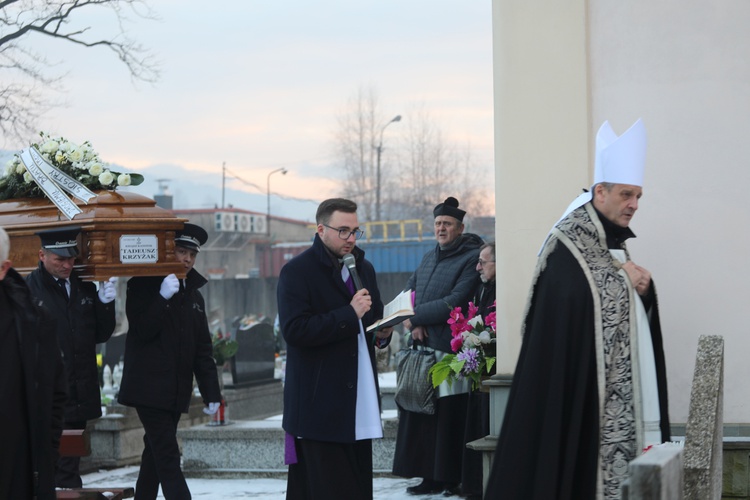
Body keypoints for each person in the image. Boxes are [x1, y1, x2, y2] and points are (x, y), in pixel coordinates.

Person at [485, 119, 670, 499]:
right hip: (578, 396)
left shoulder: (607, 238)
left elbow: (614, 296)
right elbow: (570, 299)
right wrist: (623, 282)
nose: (634, 204)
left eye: (638, 196)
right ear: (600, 191)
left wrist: (644, 290)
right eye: (626, 195)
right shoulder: (570, 240)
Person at [278, 198, 393, 500]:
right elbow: (294, 330)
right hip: (319, 404)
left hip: (358, 399)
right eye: (343, 231)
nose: (351, 239)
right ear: (320, 229)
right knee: (327, 489)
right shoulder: (296, 271)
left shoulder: (362, 267)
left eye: (356, 231)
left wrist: (383, 332)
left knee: (357, 488)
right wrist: (347, 314)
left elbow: (370, 318)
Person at [118, 222, 222, 500]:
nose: (187, 259)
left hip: (175, 390)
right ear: (167, 251)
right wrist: (163, 297)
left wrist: (212, 391)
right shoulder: (143, 285)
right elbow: (142, 330)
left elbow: (202, 349)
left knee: (154, 453)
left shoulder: (194, 294)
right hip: (148, 390)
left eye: (192, 254)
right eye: (181, 251)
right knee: (168, 456)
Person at [392, 196, 483, 496]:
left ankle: (449, 477)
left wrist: (416, 316)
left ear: (460, 228)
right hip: (422, 347)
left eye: (447, 224)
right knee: (420, 416)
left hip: (448, 349)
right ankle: (426, 476)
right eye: (438, 224)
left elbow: (455, 301)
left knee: (446, 418)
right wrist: (412, 321)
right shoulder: (430, 255)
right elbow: (410, 289)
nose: (441, 229)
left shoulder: (471, 257)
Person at [26, 225, 117, 488]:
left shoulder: (83, 286)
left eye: (71, 258)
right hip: (49, 393)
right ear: (42, 256)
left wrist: (105, 304)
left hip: (80, 389)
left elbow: (101, 333)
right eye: (60, 259)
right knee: (58, 468)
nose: (68, 265)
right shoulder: (29, 290)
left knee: (69, 462)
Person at [0, 227, 67, 500]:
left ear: (4, 268)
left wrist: (43, 460)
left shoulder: (34, 321)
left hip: (18, 471)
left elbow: (55, 396)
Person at [460, 241, 496, 500]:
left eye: (483, 262)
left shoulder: (499, 289)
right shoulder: (484, 288)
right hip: (480, 371)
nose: (478, 267)